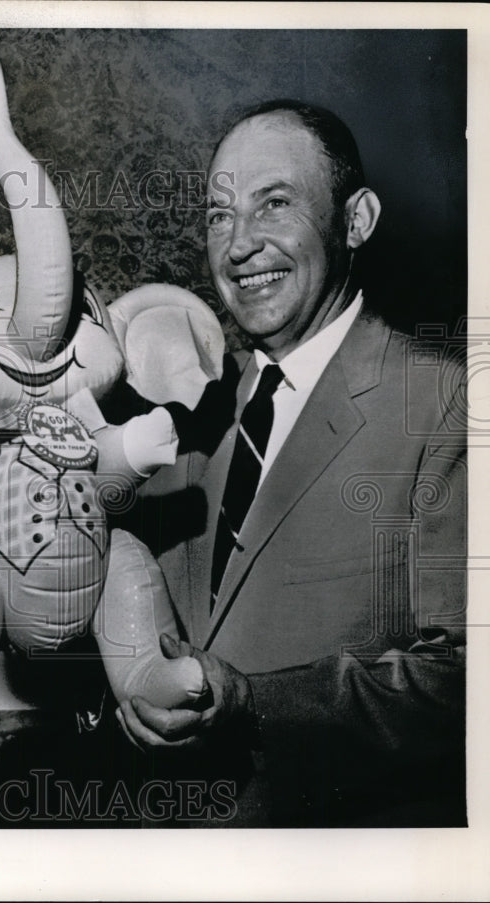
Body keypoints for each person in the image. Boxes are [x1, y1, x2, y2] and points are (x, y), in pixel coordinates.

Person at [116, 100, 466, 826]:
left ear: (356, 219)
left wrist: (252, 705)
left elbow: (466, 682)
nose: (238, 245)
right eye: (218, 215)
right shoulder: (189, 414)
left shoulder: (445, 402)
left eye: (274, 204)